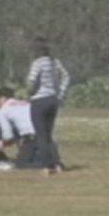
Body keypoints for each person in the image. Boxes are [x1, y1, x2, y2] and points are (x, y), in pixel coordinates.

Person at [25, 38, 70, 174]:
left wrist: (29, 91)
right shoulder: (55, 62)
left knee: (41, 135)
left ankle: (46, 165)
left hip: (39, 100)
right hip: (52, 99)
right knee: (49, 134)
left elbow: (31, 81)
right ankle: (56, 163)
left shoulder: (37, 63)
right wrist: (61, 94)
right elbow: (66, 76)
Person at [0, 86, 42, 170]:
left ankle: (45, 166)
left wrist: (3, 142)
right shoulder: (26, 103)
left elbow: (8, 136)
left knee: (21, 166)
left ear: (3, 98)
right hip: (43, 134)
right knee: (39, 158)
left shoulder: (4, 110)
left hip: (30, 138)